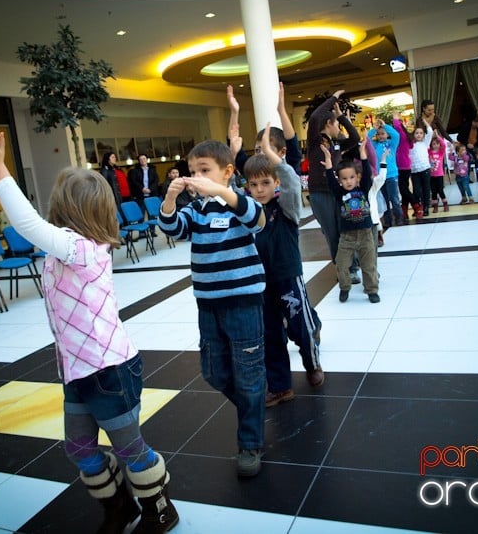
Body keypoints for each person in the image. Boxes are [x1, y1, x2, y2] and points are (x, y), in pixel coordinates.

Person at [0, 122, 179, 534]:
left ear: (69, 207)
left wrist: (0, 174)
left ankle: (160, 509)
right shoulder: (65, 246)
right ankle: (120, 507)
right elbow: (34, 229)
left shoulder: (81, 248)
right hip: (78, 371)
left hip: (109, 370)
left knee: (131, 449)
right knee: (79, 449)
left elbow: (28, 225)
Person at [157, 139, 267, 478]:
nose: (197, 178)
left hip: (243, 303)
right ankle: (255, 408)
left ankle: (250, 442)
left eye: (204, 171)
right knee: (213, 372)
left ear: (227, 172)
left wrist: (225, 193)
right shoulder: (197, 210)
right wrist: (170, 200)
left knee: (248, 374)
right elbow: (174, 229)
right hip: (207, 304)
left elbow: (257, 219)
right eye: (193, 172)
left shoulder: (239, 204)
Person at [243, 124, 324, 408]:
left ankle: (312, 363)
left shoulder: (287, 205)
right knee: (270, 334)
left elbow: (290, 178)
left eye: (265, 183)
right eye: (253, 185)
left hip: (288, 277)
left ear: (275, 183)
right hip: (259, 281)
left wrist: (272, 156)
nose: (259, 190)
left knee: (301, 327)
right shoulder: (249, 211)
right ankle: (280, 387)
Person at [305, 89, 362, 283]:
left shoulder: (337, 144)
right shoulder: (315, 141)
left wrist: (342, 118)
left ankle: (352, 267)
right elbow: (314, 117)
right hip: (319, 194)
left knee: (345, 229)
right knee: (332, 232)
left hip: (337, 191)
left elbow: (354, 139)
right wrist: (334, 98)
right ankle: (343, 269)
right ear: (328, 124)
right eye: (336, 123)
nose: (338, 126)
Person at [323, 136, 380, 304]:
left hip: (365, 234)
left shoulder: (363, 188)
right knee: (341, 264)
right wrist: (328, 164)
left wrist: (363, 153)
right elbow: (331, 182)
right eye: (344, 179)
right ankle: (345, 287)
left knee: (368, 265)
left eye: (351, 177)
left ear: (357, 178)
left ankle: (371, 290)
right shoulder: (339, 193)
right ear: (340, 181)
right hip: (346, 237)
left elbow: (368, 173)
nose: (348, 181)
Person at [367, 119, 404, 226]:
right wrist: (374, 129)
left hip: (392, 175)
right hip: (380, 177)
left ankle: (399, 216)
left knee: (394, 198)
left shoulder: (392, 144)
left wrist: (385, 126)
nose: (381, 136)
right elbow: (367, 139)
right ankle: (388, 220)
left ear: (387, 134)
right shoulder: (374, 145)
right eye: (379, 134)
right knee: (384, 199)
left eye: (383, 134)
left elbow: (396, 135)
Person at [399, 111, 433, 217]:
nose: (418, 135)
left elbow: (430, 132)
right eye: (416, 133)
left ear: (423, 135)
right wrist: (402, 125)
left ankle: (426, 207)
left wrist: (425, 122)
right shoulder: (410, 144)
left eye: (421, 133)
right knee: (416, 190)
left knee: (426, 189)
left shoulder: (425, 143)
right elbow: (405, 135)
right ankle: (418, 207)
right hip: (414, 170)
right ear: (413, 134)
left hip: (425, 169)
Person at [428, 134, 448, 212]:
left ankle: (445, 204)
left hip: (439, 175)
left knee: (440, 190)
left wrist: (437, 136)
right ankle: (435, 206)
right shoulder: (429, 152)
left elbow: (443, 145)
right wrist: (430, 137)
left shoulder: (441, 152)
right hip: (431, 175)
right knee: (433, 191)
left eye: (437, 144)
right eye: (434, 144)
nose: (435, 145)